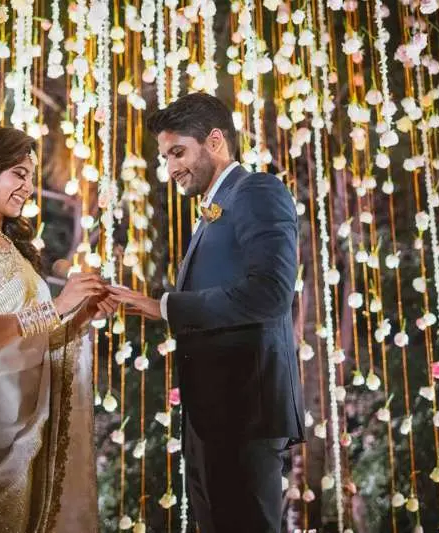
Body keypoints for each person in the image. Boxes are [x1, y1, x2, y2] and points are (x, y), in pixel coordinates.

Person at [109, 93, 305, 533]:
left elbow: (270, 293)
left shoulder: (257, 191)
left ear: (215, 141)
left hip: (246, 410)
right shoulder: (214, 210)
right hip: (212, 413)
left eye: (178, 153)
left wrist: (164, 305)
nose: (170, 168)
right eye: (165, 157)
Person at [0, 125, 114, 532]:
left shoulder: (12, 246)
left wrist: (79, 314)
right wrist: (58, 306)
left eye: (30, 177)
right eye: (18, 174)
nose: (28, 187)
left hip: (26, 404)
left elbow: (34, 335)